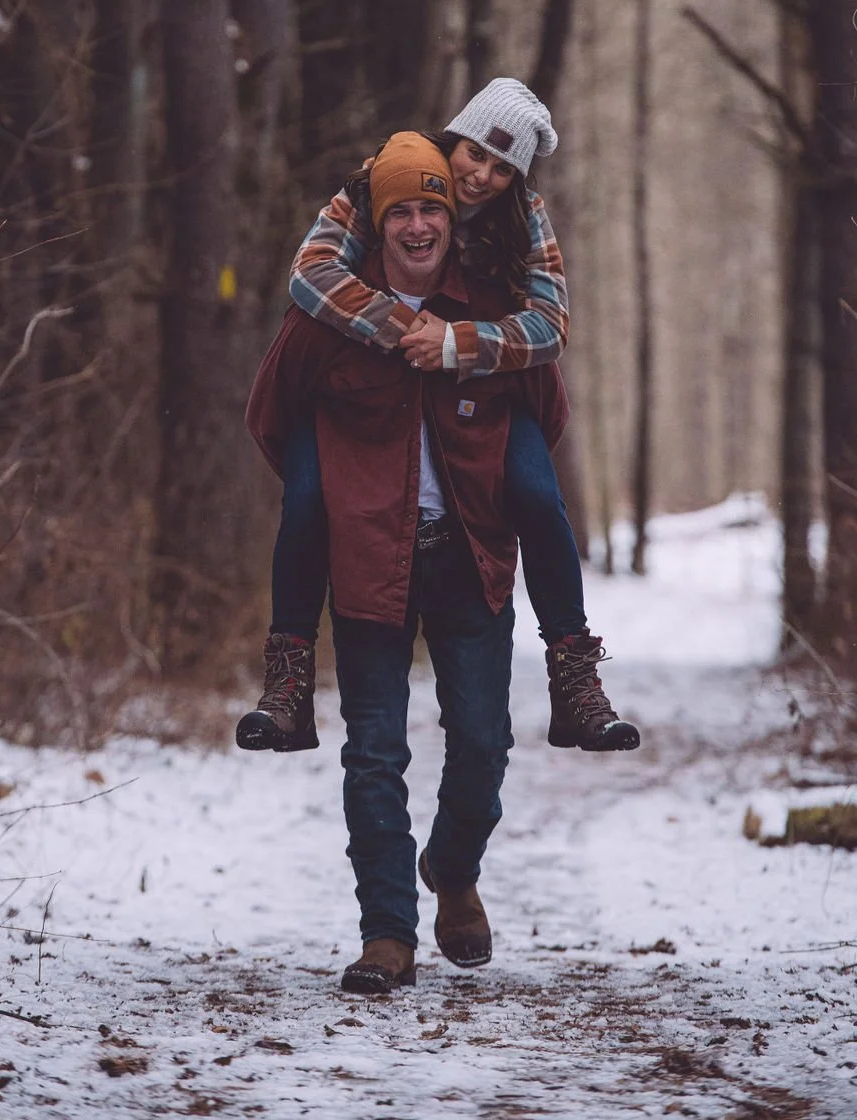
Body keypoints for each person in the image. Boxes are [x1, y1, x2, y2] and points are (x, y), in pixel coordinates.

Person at [246, 132, 578, 991]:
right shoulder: (328, 317)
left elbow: (546, 408)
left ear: (455, 217)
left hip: (470, 556)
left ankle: (455, 870)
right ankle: (387, 934)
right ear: (379, 221)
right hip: (371, 560)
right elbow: (272, 415)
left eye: (435, 207)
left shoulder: (493, 309)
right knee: (373, 754)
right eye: (404, 211)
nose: (421, 224)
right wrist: (339, 498)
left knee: (482, 742)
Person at [237, 78, 639, 760]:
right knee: (306, 503)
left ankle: (574, 672)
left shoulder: (524, 216)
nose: (483, 177)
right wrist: (402, 326)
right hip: (353, 388)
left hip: (482, 394)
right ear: (456, 137)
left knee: (540, 497)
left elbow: (551, 324)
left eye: (504, 169)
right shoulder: (389, 181)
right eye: (477, 154)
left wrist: (456, 343)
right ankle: (290, 676)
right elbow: (309, 275)